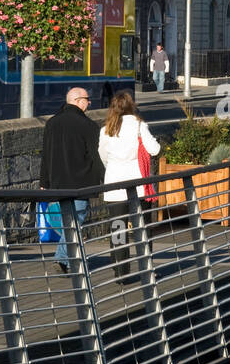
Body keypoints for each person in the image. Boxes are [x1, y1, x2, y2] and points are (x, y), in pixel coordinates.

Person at [40, 87, 105, 275]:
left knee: (67, 223)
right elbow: (94, 156)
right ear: (78, 101)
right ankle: (63, 259)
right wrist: (102, 179)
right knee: (75, 221)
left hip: (57, 182)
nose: (89, 103)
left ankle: (70, 262)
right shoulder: (89, 126)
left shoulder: (51, 123)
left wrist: (44, 181)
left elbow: (46, 155)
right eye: (87, 99)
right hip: (80, 183)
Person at [98, 90, 160, 283]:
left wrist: (114, 167)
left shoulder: (106, 129)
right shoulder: (139, 126)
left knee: (118, 229)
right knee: (142, 229)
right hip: (139, 186)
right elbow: (155, 149)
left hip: (115, 185)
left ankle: (120, 271)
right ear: (131, 106)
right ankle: (146, 270)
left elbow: (103, 156)